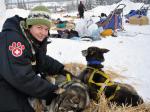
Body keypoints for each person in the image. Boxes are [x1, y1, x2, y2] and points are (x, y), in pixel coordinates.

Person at [0, 5, 72, 112]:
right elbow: (22, 78)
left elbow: (40, 59)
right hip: (5, 82)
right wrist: (52, 91)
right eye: (39, 27)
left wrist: (60, 69)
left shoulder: (30, 38)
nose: (43, 32)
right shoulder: (14, 41)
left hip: (12, 78)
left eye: (46, 29)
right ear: (30, 25)